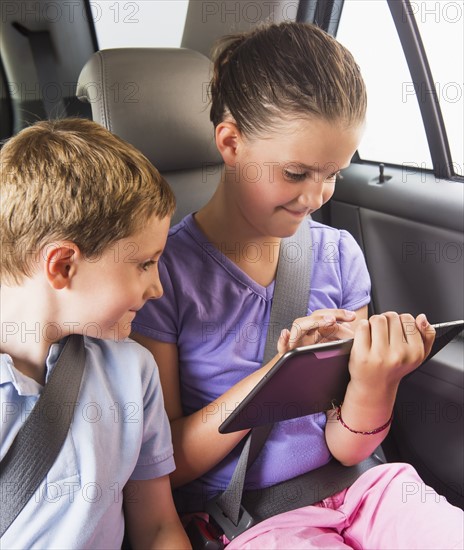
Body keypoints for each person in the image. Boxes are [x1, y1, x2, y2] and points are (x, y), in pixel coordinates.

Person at [132, 22, 464, 549]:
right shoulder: (160, 275)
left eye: (333, 173)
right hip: (251, 516)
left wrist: (377, 382)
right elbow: (161, 465)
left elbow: (349, 447)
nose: (316, 195)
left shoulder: (338, 256)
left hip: (368, 490)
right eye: (295, 173)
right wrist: (275, 380)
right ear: (231, 142)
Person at [0, 118, 191, 549]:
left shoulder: (132, 371)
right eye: (144, 263)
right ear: (63, 265)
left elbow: (158, 526)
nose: (157, 288)